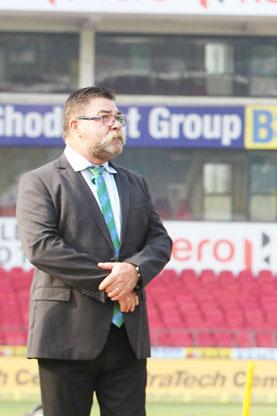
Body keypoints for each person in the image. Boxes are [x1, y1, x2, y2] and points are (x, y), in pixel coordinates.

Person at [16, 87, 173, 416]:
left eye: (118, 118)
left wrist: (135, 272)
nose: (116, 125)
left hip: (127, 337)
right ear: (75, 125)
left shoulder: (135, 183)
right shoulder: (40, 181)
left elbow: (159, 240)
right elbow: (42, 247)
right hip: (65, 335)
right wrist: (116, 285)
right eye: (105, 117)